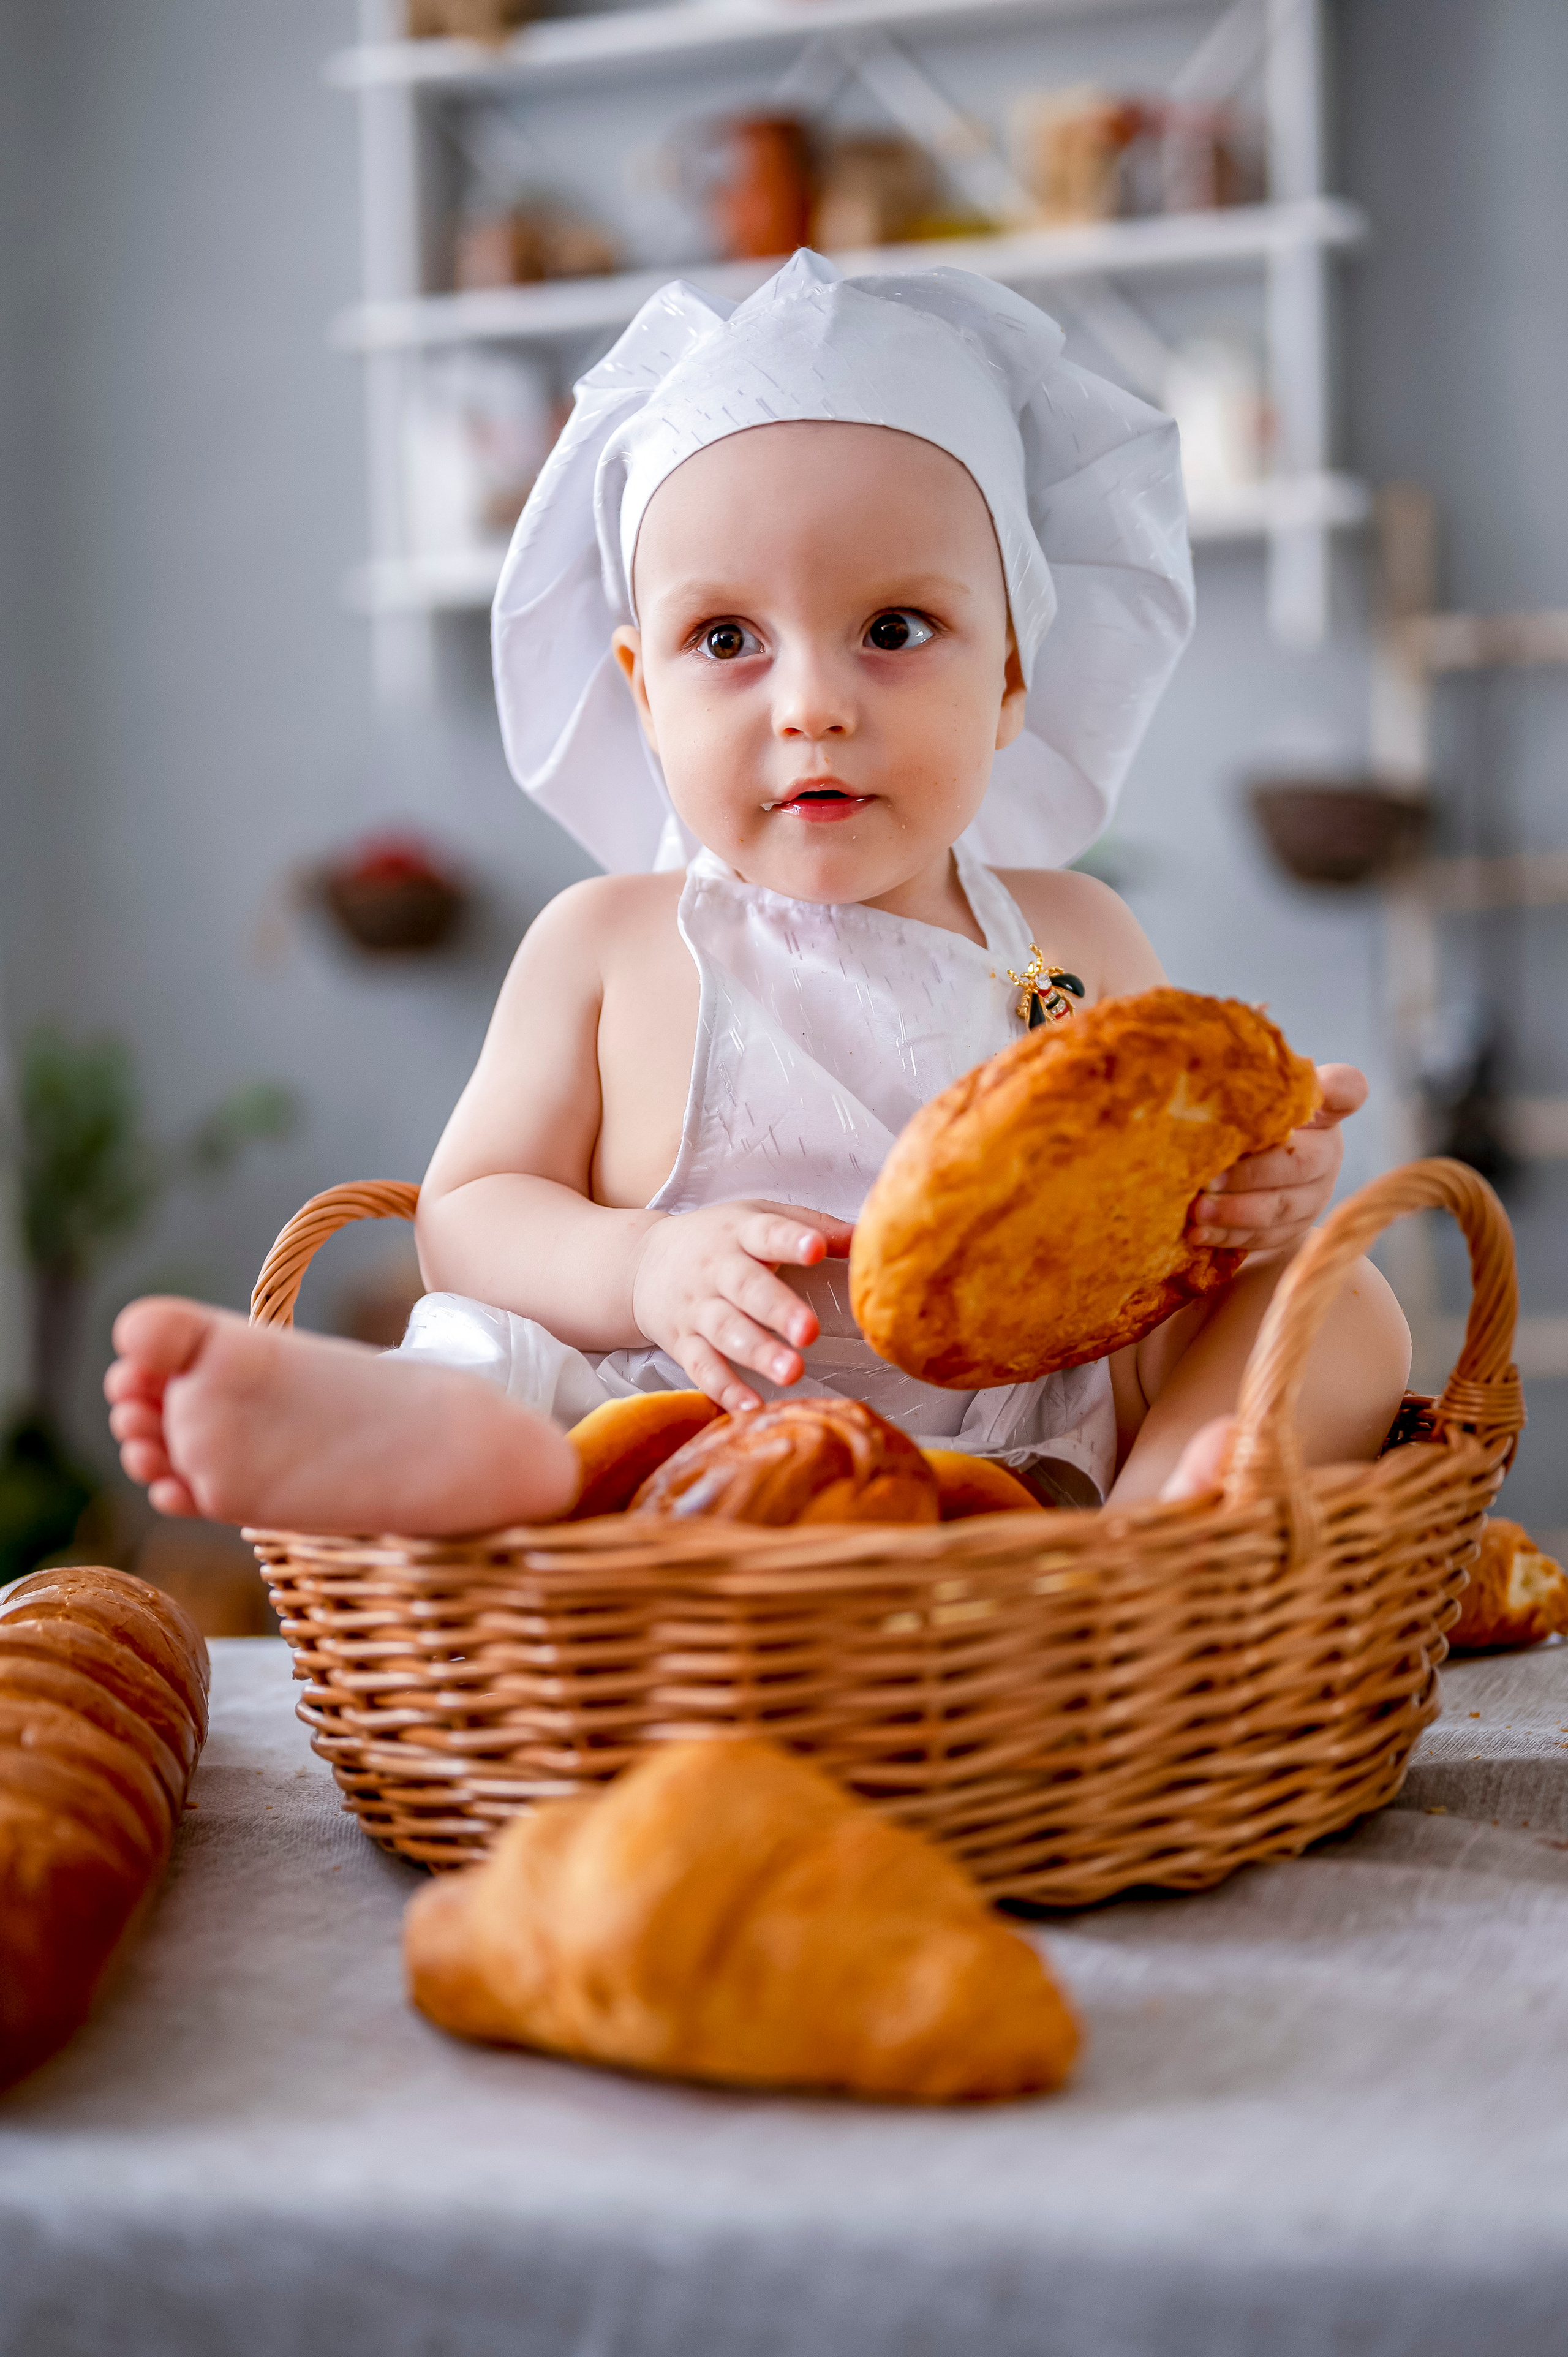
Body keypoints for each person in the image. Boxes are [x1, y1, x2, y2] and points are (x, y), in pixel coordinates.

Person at [107, 254, 1409, 1536]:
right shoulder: (606, 945)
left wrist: (1258, 1186)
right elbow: (467, 1214)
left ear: (1010, 675)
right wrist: (642, 1266)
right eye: (725, 640)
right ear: (640, 690)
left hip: (1023, 1472)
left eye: (893, 629)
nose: (812, 707)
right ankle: (430, 1451)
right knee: (481, 1351)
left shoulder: (1070, 937)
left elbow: (1162, 1198)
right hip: (672, 1452)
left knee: (1335, 1296)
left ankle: (1158, 1540)